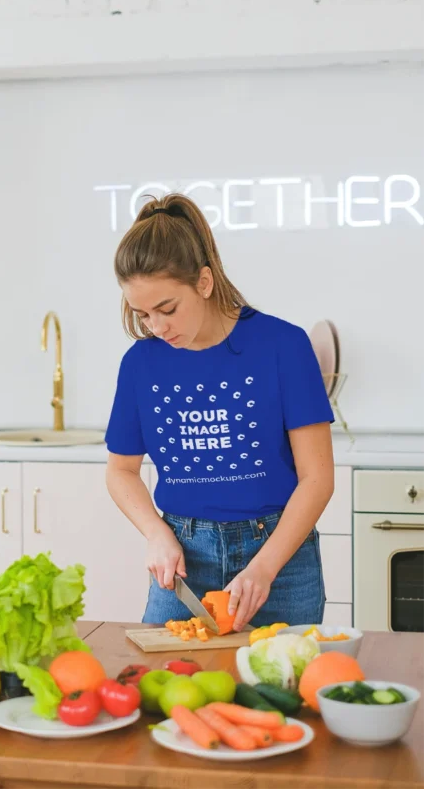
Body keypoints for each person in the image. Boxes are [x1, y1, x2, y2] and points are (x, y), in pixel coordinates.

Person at [105, 193, 334, 632]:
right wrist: (156, 533)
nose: (156, 327)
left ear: (204, 283)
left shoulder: (283, 346)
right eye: (143, 313)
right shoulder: (140, 363)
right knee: (168, 691)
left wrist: (264, 569)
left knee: (281, 690)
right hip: (185, 559)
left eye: (167, 309)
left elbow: (318, 478)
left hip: (280, 558)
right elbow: (121, 471)